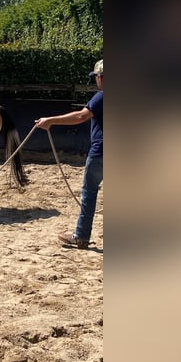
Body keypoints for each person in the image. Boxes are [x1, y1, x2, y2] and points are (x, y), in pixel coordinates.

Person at [35, 59, 103, 249]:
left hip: (100, 153)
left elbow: (81, 116)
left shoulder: (101, 97)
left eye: (97, 77)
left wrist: (50, 120)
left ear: (101, 78)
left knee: (89, 193)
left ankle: (81, 236)